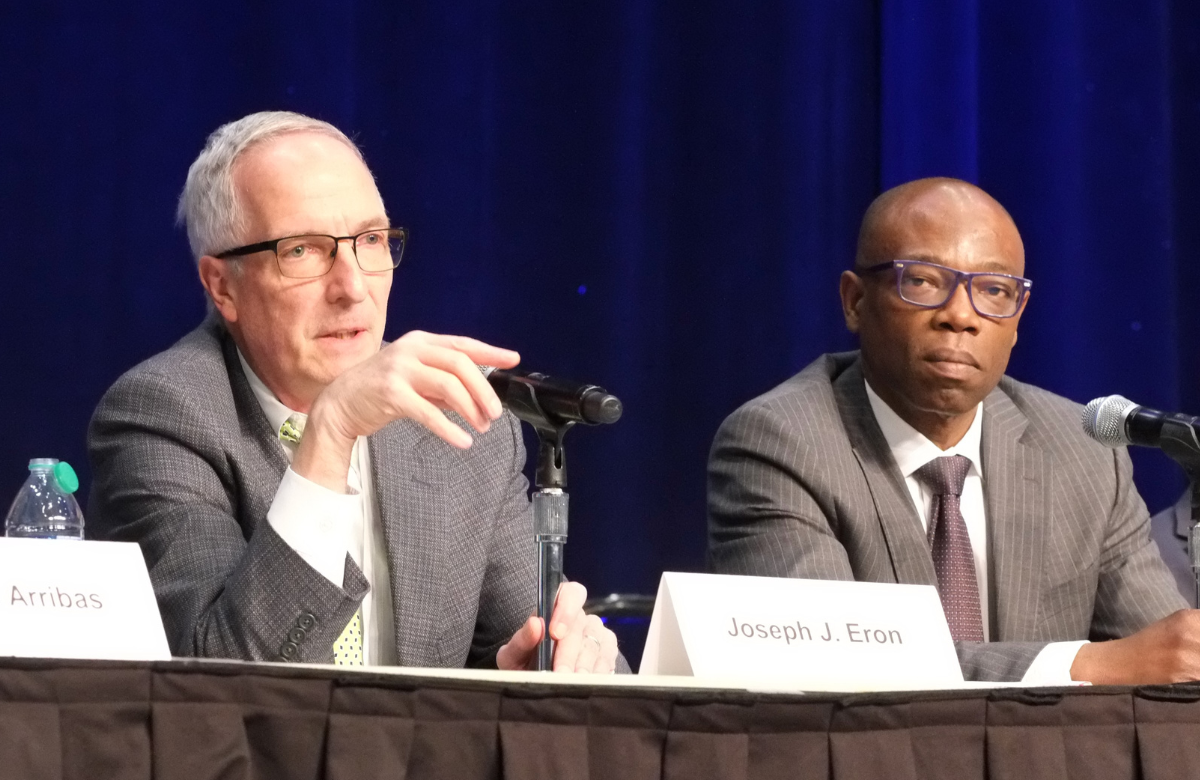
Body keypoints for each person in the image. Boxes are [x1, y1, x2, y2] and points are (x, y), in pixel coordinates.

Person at [88, 111, 620, 673]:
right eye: (302, 251)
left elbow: (518, 656)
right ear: (223, 286)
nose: (352, 287)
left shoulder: (458, 424)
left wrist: (548, 667)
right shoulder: (161, 415)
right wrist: (331, 429)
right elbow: (219, 677)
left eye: (370, 240)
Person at [707, 177, 1197, 683]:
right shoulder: (779, 442)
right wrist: (1082, 664)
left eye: (993, 290)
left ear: (1016, 318)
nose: (961, 316)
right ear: (855, 301)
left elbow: (1166, 657)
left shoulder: (1083, 451)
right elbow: (831, 666)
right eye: (921, 280)